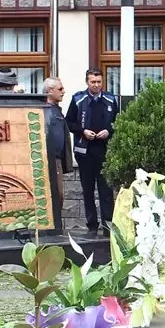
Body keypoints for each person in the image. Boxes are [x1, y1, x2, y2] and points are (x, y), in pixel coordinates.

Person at [65, 70, 120, 236]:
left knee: (106, 191)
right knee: (88, 190)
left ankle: (108, 226)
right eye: (93, 82)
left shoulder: (111, 99)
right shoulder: (78, 99)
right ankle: (92, 225)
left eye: (98, 81)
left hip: (105, 152)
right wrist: (83, 131)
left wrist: (108, 131)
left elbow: (118, 122)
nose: (96, 85)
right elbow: (69, 122)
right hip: (85, 151)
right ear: (87, 82)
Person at [42, 77, 73, 231]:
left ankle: (56, 225)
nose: (63, 92)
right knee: (55, 194)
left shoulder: (56, 110)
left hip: (57, 160)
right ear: (50, 91)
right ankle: (53, 227)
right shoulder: (44, 110)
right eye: (60, 89)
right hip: (49, 161)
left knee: (59, 195)